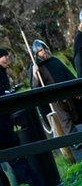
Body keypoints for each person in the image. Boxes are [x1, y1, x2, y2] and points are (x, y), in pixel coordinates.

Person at [30, 40, 82, 141]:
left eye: (44, 49)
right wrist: (35, 75)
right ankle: (75, 141)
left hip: (67, 93)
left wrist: (77, 89)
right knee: (65, 119)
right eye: (40, 50)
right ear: (36, 54)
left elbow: (68, 74)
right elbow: (35, 88)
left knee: (79, 112)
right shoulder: (36, 68)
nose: (44, 51)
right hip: (54, 98)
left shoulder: (54, 60)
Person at [0, 48, 37, 186]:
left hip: (5, 124)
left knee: (16, 160)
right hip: (3, 128)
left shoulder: (3, 73)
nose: (7, 60)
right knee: (17, 160)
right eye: (5, 57)